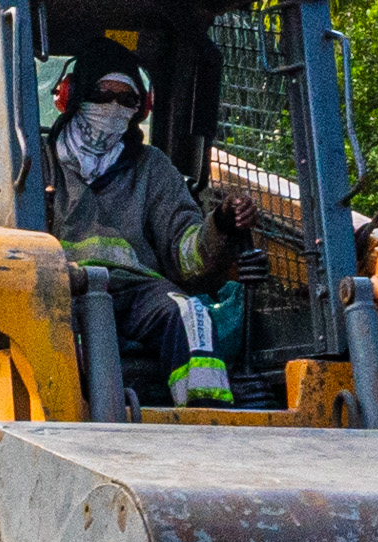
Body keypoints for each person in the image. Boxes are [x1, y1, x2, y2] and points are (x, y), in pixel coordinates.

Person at [44, 62, 237, 409]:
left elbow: (184, 248)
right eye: (102, 95)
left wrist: (219, 226)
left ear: (141, 108)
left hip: (139, 289)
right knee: (52, 326)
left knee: (190, 313)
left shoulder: (152, 167)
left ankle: (207, 420)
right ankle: (67, 413)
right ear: (72, 97)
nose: (113, 107)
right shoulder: (38, 161)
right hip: (63, 285)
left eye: (126, 99)